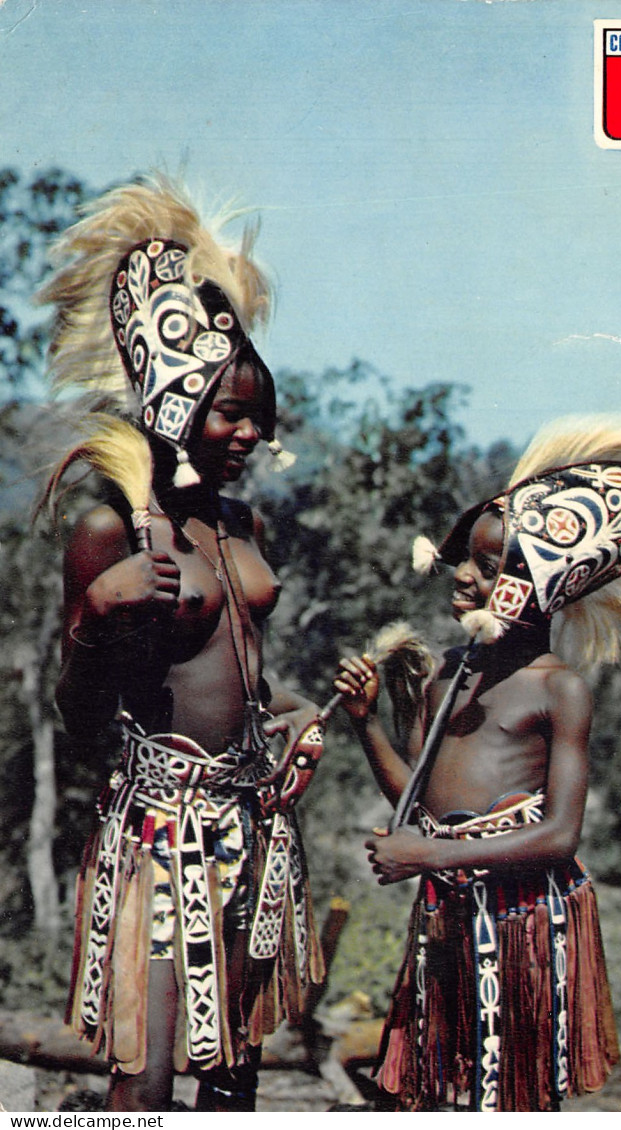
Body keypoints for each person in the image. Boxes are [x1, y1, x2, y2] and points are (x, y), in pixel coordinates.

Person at [334, 416, 621, 1112]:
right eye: (465, 557)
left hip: (523, 920)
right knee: (433, 1087)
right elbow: (418, 806)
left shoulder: (559, 688)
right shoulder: (448, 677)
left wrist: (424, 856)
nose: (462, 574)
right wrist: (366, 724)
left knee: (510, 1094)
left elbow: (558, 838)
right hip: (450, 911)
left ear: (537, 583)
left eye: (488, 567)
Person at [38, 175, 325, 1111]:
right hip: (161, 834)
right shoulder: (109, 529)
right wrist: (94, 617)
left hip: (253, 824)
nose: (249, 433)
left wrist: (289, 715)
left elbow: (240, 673)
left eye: (258, 417)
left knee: (234, 1069)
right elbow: (81, 720)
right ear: (171, 403)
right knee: (149, 1075)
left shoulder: (234, 523)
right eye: (227, 413)